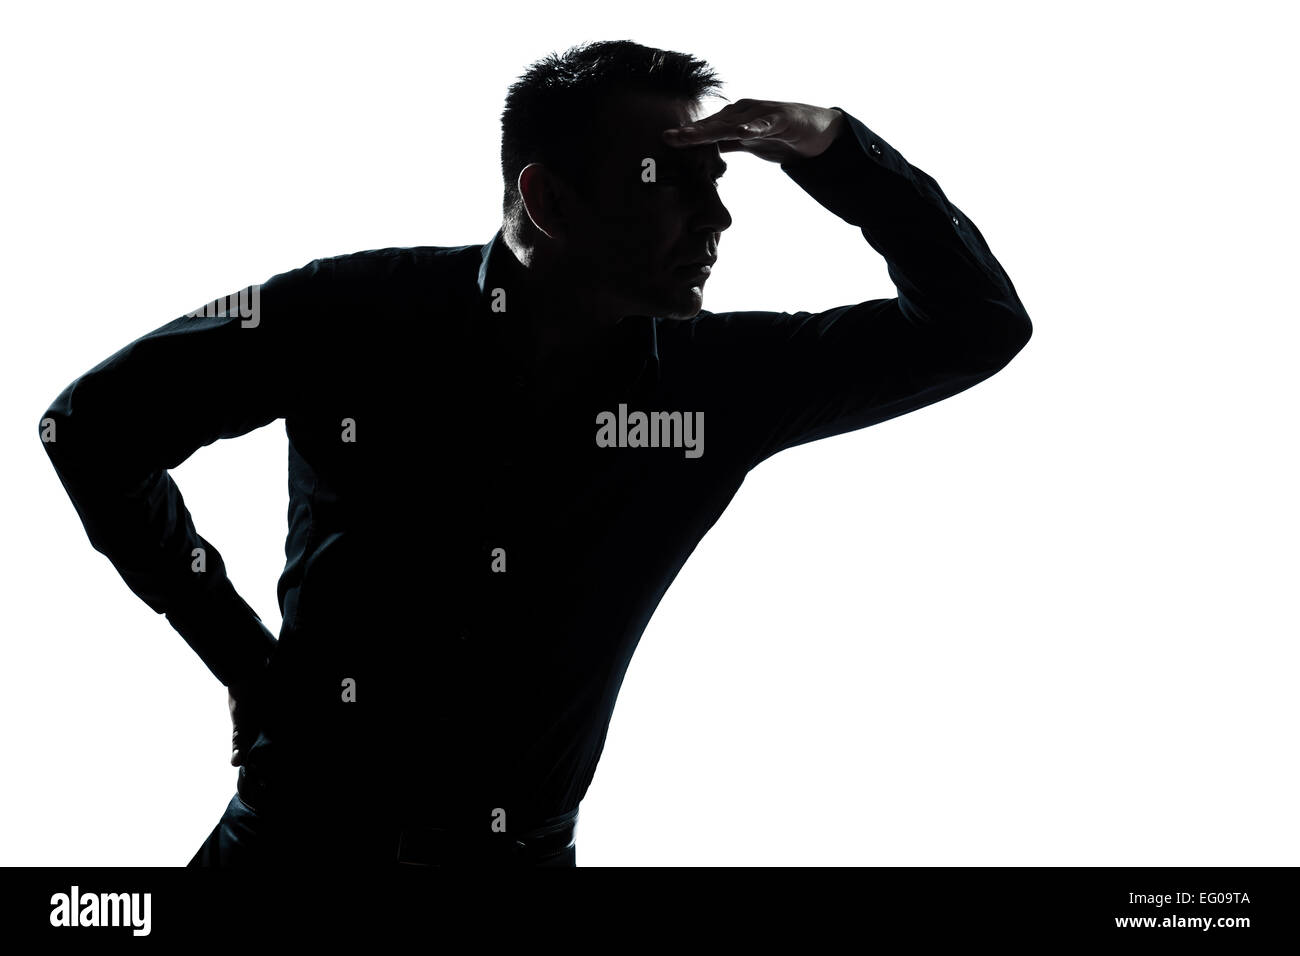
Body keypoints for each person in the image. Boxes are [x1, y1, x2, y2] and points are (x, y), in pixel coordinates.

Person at [37, 39, 1032, 867]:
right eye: (673, 184)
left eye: (718, 182)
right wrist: (244, 658)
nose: (719, 218)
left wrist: (836, 151)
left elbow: (978, 324)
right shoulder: (344, 312)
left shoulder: (723, 385)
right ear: (548, 198)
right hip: (288, 849)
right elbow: (87, 425)